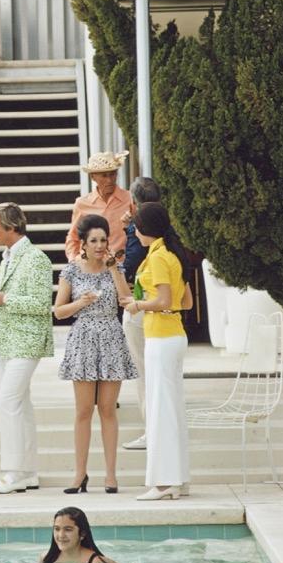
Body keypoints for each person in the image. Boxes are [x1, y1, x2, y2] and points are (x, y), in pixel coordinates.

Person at [54, 213, 138, 494]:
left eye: (104, 239)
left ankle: (111, 475)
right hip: (83, 339)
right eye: (95, 240)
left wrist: (114, 269)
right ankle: (80, 475)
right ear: (84, 244)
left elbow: (126, 301)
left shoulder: (115, 267)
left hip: (111, 338)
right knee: (82, 411)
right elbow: (58, 310)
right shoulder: (71, 271)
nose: (101, 245)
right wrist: (81, 302)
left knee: (107, 410)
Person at [0, 202, 53, 494]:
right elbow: (9, 300)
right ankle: (29, 472)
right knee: (22, 406)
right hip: (8, 342)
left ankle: (12, 473)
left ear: (11, 228)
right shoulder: (7, 257)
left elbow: (40, 305)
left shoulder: (37, 259)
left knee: (7, 402)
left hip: (27, 343)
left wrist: (2, 299)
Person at [120, 202, 193, 501]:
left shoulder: (161, 257)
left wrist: (139, 305)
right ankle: (177, 480)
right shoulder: (170, 254)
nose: (135, 230)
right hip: (170, 335)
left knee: (161, 410)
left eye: (137, 225)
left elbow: (164, 300)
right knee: (170, 409)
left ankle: (164, 483)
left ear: (146, 228)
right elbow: (184, 302)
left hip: (162, 338)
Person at [120, 176, 163, 451]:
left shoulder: (141, 230)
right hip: (166, 313)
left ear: (134, 203)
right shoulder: (166, 225)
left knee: (146, 373)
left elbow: (131, 262)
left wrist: (128, 229)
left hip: (143, 305)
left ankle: (152, 431)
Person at [65, 151, 132, 261]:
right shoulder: (82, 204)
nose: (109, 180)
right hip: (90, 269)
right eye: (104, 175)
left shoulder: (129, 199)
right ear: (93, 177)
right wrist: (74, 263)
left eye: (112, 174)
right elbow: (73, 237)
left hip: (121, 268)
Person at [40, 506, 117, 563]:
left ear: (82, 534)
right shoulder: (46, 558)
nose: (61, 535)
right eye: (57, 529)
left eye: (68, 529)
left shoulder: (95, 562)